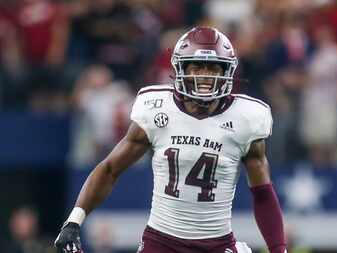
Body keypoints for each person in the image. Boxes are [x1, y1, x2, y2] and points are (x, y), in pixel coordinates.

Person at [54, 27, 287, 253]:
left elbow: (263, 193)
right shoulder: (156, 109)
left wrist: (279, 249)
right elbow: (110, 169)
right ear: (179, 69)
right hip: (161, 242)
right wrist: (74, 220)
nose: (204, 76)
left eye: (213, 68)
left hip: (216, 244)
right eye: (196, 68)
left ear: (227, 72)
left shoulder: (246, 117)